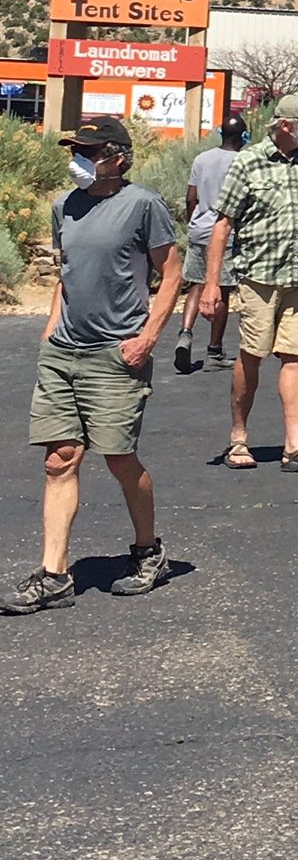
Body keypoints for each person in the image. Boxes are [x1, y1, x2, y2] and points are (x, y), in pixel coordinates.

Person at [1, 118, 182, 614]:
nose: (79, 157)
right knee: (59, 458)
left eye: (90, 150)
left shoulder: (143, 205)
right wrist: (49, 330)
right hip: (63, 351)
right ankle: (55, 575)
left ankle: (149, 551)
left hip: (115, 353)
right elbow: (67, 274)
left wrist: (146, 338)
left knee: (119, 458)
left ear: (118, 157)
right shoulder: (66, 206)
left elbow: (171, 273)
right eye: (76, 149)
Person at [201, 94, 298, 476]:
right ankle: (239, 436)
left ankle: (295, 446)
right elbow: (223, 223)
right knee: (253, 353)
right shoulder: (249, 162)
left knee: (296, 356)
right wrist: (212, 284)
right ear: (284, 125)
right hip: (259, 276)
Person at [174, 115, 248, 373]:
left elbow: (190, 197)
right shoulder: (243, 162)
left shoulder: (201, 159)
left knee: (196, 285)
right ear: (243, 137)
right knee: (221, 288)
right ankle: (214, 350)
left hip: (199, 231)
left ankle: (185, 332)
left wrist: (192, 222)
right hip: (225, 235)